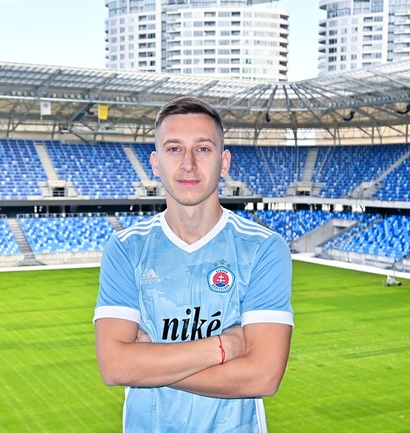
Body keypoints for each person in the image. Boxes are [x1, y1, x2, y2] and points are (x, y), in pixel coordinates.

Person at [93, 96, 294, 432]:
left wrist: (148, 363)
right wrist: (223, 347)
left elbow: (263, 376)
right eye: (174, 149)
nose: (188, 163)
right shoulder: (126, 248)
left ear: (224, 162)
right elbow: (115, 367)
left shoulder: (263, 248)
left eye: (203, 148)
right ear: (156, 163)